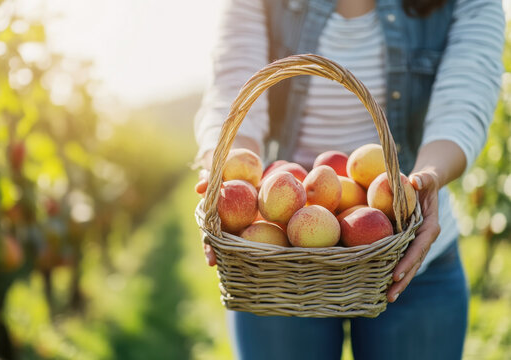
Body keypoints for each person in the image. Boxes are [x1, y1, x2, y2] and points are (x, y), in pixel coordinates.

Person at [193, 0, 504, 359]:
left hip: (407, 246)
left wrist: (427, 179)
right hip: (277, 268)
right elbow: (234, 85)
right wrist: (228, 171)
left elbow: (465, 96)